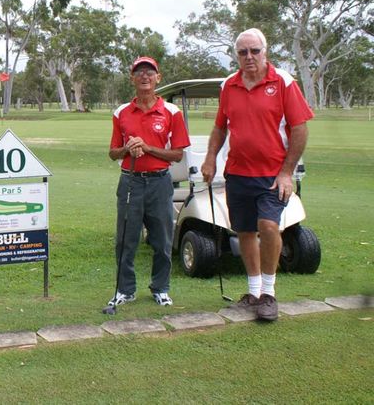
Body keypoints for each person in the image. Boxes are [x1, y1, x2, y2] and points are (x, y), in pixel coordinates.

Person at [201, 28, 313, 321]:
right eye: (243, 52)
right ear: (236, 56)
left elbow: (300, 128)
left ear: (265, 51)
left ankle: (269, 294)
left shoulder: (283, 82)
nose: (249, 57)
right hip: (238, 172)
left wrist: (287, 172)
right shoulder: (229, 85)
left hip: (273, 175)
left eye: (255, 51)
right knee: (245, 231)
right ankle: (253, 293)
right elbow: (220, 127)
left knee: (269, 226)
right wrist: (210, 158)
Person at [106, 57, 190, 309]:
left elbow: (177, 154)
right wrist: (128, 148)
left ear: (158, 78)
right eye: (139, 72)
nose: (145, 76)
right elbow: (112, 153)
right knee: (125, 240)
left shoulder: (171, 112)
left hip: (160, 183)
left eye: (150, 72)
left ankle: (160, 288)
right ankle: (125, 290)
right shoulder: (121, 112)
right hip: (130, 182)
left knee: (162, 240)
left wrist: (147, 147)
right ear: (132, 78)